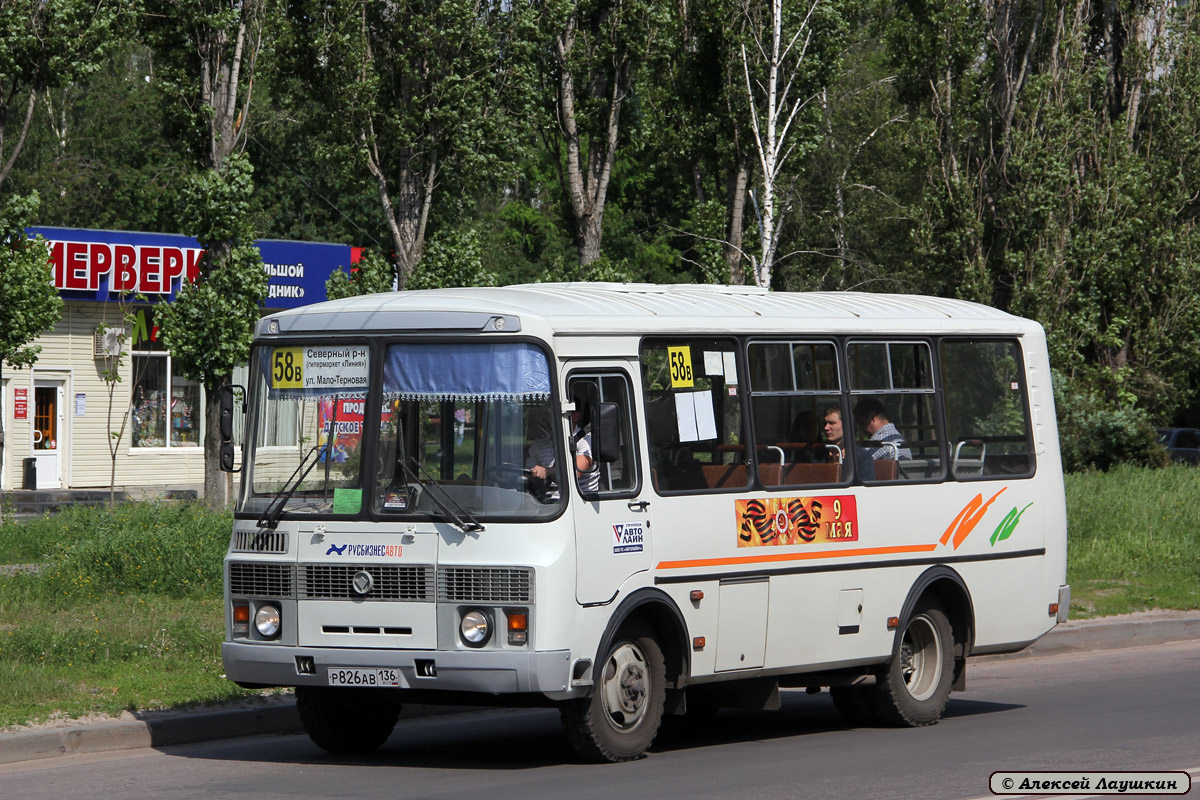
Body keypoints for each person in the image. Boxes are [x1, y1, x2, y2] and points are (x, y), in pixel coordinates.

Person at [823, 405, 875, 481]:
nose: (826, 427)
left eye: (831, 423)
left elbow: (864, 490)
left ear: (846, 425)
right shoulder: (818, 455)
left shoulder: (861, 457)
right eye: (825, 423)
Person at [570, 386, 601, 493]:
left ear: (576, 416)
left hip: (580, 501)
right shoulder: (543, 441)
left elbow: (575, 472)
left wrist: (547, 472)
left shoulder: (587, 439)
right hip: (544, 499)